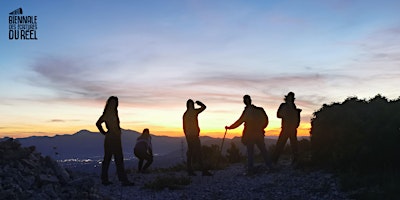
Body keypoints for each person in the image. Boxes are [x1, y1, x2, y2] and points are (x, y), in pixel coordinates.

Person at [225, 95, 272, 175]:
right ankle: (270, 166)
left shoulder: (247, 111)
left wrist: (230, 127)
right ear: (251, 100)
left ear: (244, 102)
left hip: (250, 134)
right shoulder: (259, 110)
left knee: (250, 151)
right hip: (259, 133)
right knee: (263, 150)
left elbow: (239, 122)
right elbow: (266, 120)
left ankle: (250, 169)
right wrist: (261, 128)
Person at [96, 96, 134, 186]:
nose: (113, 104)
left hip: (115, 138)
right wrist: (105, 132)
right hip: (111, 138)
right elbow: (98, 123)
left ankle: (109, 179)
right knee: (112, 158)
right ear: (109, 103)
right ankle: (121, 180)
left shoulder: (114, 113)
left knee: (115, 159)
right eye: (112, 102)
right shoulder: (107, 114)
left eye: (115, 103)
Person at [183, 99, 212, 176]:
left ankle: (190, 170)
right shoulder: (194, 112)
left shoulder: (185, 114)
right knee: (198, 153)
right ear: (192, 105)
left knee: (190, 153)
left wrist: (186, 136)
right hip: (194, 136)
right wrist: (200, 103)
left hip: (189, 136)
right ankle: (203, 171)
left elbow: (184, 127)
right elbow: (204, 107)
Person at [272, 92, 301, 165]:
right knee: (280, 144)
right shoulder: (283, 105)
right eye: (290, 97)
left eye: (292, 97)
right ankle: (274, 160)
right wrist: (287, 113)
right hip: (285, 128)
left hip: (292, 128)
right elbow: (278, 115)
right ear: (287, 97)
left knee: (294, 145)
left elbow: (295, 116)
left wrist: (296, 122)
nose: (291, 98)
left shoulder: (293, 106)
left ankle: (295, 160)